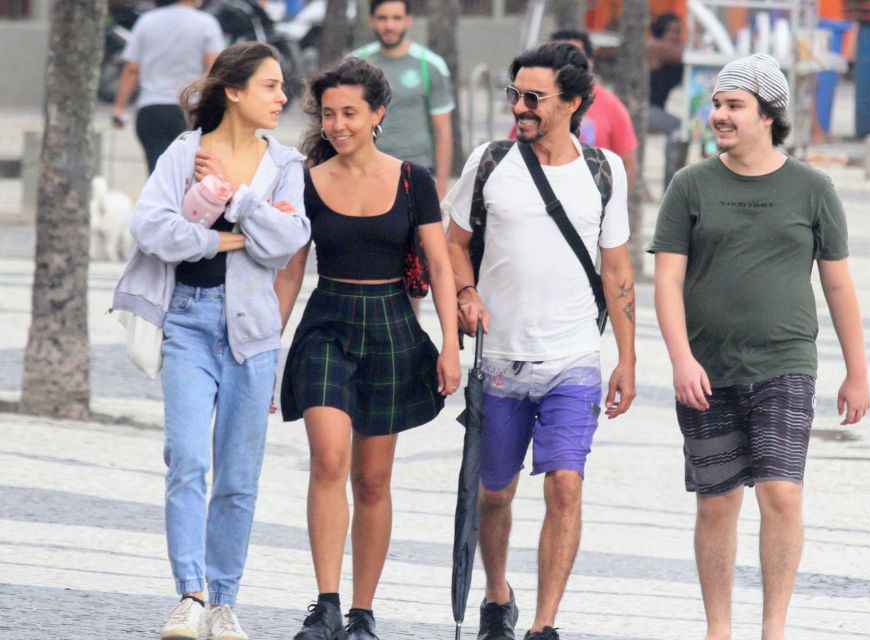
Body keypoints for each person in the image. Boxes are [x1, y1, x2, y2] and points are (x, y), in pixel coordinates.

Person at [647, 53, 870, 640]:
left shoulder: (813, 188)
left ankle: (774, 629)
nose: (719, 115)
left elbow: (838, 282)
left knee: (780, 491)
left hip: (786, 363)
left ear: (769, 115)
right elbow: (667, 280)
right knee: (716, 502)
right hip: (707, 366)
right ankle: (717, 630)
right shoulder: (690, 185)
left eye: (733, 105)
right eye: (717, 104)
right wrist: (680, 359)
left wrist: (857, 371)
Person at [112, 42, 312, 640]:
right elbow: (150, 226)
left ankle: (224, 601)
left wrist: (239, 198)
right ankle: (191, 595)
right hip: (189, 322)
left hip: (253, 332)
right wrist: (226, 239)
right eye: (271, 86)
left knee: (238, 475)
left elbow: (288, 239)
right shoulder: (183, 152)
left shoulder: (285, 165)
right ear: (234, 90)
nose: (282, 98)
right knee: (188, 461)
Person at [444, 43, 637, 640]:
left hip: (574, 359)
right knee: (494, 494)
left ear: (574, 102)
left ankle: (545, 625)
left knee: (565, 484)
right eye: (514, 94)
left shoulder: (604, 171)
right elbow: (452, 244)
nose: (520, 107)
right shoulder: (489, 161)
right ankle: (498, 596)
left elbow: (617, 271)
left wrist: (627, 357)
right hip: (500, 360)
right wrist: (466, 293)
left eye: (534, 98)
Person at [276, 57, 460, 640]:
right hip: (327, 322)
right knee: (329, 460)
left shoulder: (414, 180)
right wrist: (263, 349)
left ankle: (361, 612)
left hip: (391, 328)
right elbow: (289, 273)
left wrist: (450, 346)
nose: (337, 124)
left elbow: (439, 263)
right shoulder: (306, 179)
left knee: (373, 479)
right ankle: (325, 604)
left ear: (378, 113)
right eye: (328, 113)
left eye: (350, 112)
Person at [352, 0, 455, 198]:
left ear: (408, 20)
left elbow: (442, 131)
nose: (389, 25)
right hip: (365, 170)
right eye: (382, 18)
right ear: (371, 20)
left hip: (415, 170)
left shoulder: (431, 65)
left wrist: (441, 189)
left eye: (396, 18)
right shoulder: (356, 63)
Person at [112, 0, 225, 174]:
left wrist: (119, 108)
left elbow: (132, 69)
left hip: (151, 109)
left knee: (157, 172)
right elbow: (215, 70)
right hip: (191, 109)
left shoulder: (147, 21)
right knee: (190, 173)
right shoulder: (206, 23)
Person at [537, 29, 640, 198]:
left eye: (573, 58)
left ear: (590, 62)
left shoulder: (612, 106)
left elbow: (627, 165)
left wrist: (612, 209)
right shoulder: (533, 103)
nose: (565, 65)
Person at [647, 12, 687, 189]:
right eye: (671, 31)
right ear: (660, 30)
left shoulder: (671, 52)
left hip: (654, 110)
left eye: (678, 32)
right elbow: (685, 55)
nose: (675, 36)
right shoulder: (656, 47)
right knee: (679, 128)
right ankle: (672, 184)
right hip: (643, 110)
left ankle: (674, 182)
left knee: (683, 128)